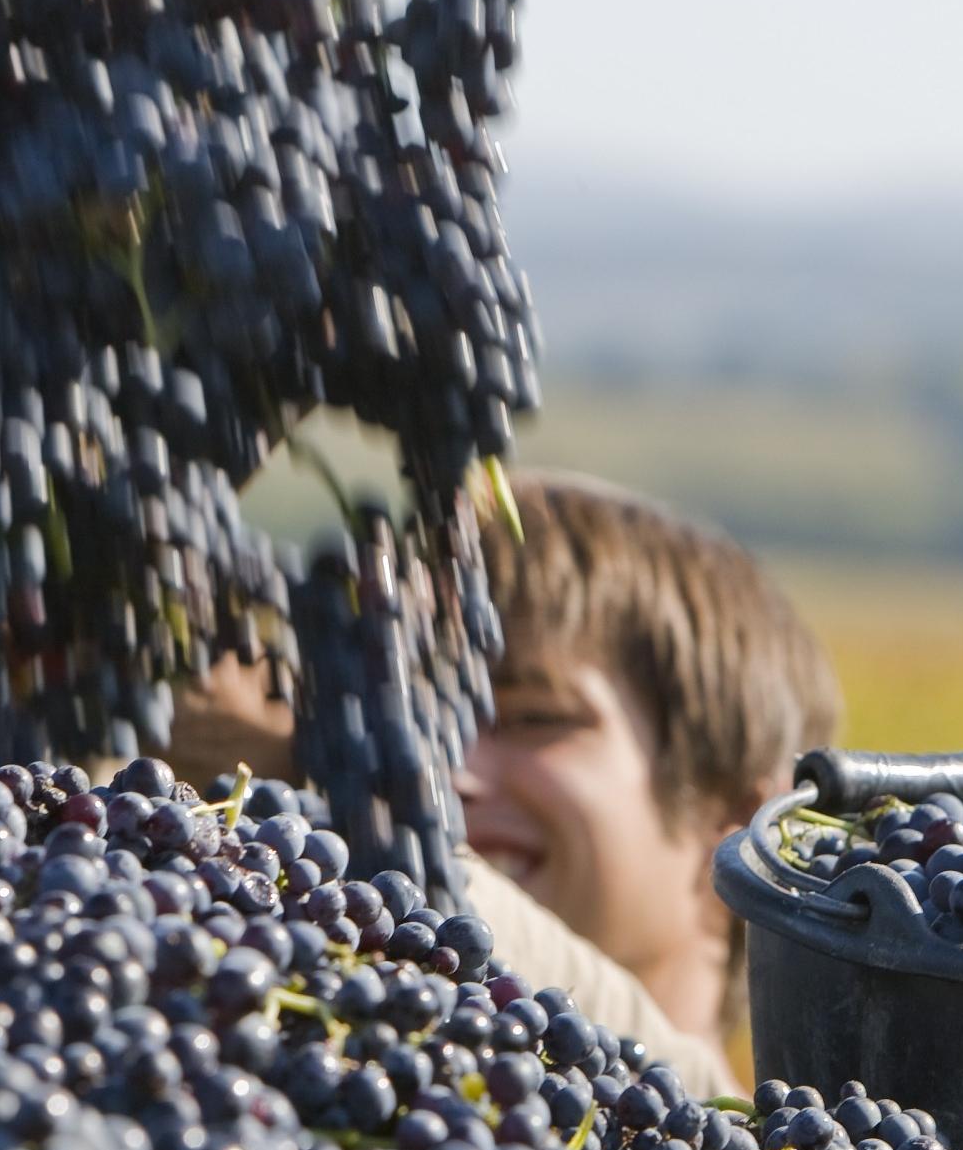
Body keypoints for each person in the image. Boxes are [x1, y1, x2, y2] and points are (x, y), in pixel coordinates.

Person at [175, 470, 843, 1098]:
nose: (443, 767)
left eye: (532, 719)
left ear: (743, 827)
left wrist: (321, 792)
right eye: (412, 718)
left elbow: (633, 1067)